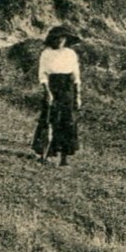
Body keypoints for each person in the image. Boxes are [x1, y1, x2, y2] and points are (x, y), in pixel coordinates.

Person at [32, 25, 82, 167]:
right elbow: (43, 75)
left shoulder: (70, 54)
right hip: (53, 87)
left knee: (67, 121)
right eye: (57, 38)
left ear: (66, 39)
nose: (60, 41)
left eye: (63, 38)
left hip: (68, 89)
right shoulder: (46, 53)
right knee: (49, 118)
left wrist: (78, 95)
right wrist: (48, 92)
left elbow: (76, 75)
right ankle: (44, 154)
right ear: (52, 39)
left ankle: (64, 157)